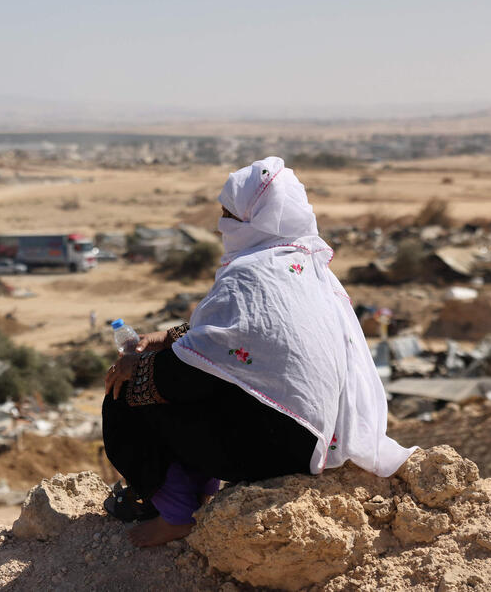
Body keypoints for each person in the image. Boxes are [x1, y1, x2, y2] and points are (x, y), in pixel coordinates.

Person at [102, 156, 415, 547]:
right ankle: (194, 494)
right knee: (193, 376)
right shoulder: (304, 264)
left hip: (275, 448)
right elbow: (247, 335)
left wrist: (137, 367)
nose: (222, 225)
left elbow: (192, 369)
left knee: (127, 392)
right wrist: (167, 337)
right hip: (314, 438)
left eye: (229, 215)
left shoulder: (251, 273)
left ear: (253, 219)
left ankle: (177, 516)